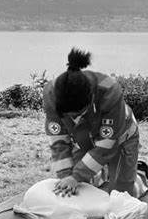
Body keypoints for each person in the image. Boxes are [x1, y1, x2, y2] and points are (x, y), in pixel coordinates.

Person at [43, 48, 142, 198]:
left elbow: (106, 145)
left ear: (90, 100)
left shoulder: (110, 92)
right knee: (73, 190)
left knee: (120, 196)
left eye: (78, 114)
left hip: (120, 137)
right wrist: (67, 176)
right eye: (69, 116)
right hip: (84, 138)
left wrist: (76, 176)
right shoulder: (51, 94)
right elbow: (58, 141)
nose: (74, 119)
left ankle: (142, 173)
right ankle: (102, 173)